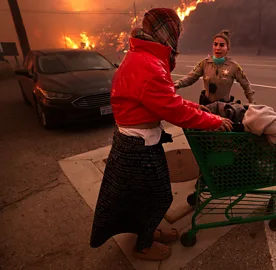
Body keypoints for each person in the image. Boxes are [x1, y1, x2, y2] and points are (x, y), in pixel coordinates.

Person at [89, 8, 233, 262]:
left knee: (142, 194)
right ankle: (143, 245)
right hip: (137, 145)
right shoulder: (149, 64)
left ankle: (149, 231)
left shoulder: (141, 55)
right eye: (176, 32)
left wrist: (195, 107)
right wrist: (212, 121)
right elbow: (173, 110)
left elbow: (166, 101)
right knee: (158, 196)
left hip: (136, 139)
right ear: (169, 32)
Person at [174, 30, 256, 106]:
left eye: (222, 45)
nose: (218, 48)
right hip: (207, 106)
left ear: (227, 48)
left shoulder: (233, 67)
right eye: (215, 44)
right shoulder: (205, 63)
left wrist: (253, 103)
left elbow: (246, 86)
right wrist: (177, 84)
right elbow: (191, 77)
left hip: (224, 108)